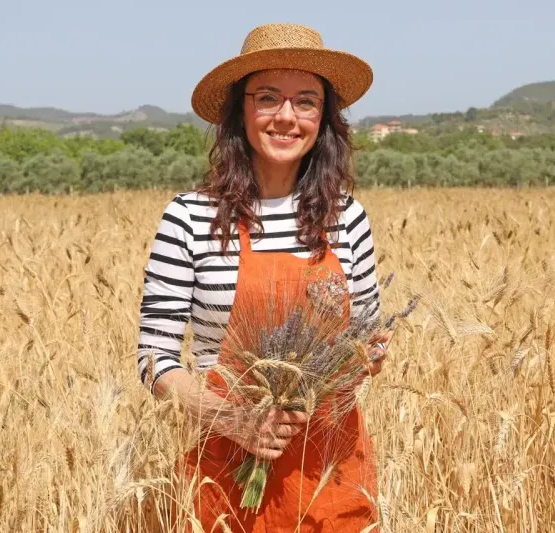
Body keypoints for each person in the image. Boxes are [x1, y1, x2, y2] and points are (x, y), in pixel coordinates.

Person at [137, 22, 386, 532]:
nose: (286, 117)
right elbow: (154, 359)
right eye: (267, 97)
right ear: (240, 109)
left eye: (306, 101)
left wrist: (362, 358)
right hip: (223, 469)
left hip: (329, 473)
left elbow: (367, 335)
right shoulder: (188, 218)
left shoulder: (347, 217)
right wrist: (235, 421)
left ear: (324, 117)